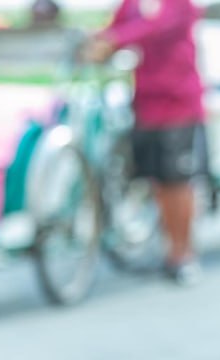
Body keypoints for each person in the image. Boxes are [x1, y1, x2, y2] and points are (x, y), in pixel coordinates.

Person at [86, 0, 206, 285]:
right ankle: (169, 248)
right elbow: (115, 28)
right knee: (158, 183)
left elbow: (155, 26)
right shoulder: (131, 4)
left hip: (178, 104)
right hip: (145, 106)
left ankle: (183, 254)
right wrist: (96, 41)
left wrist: (113, 40)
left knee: (177, 182)